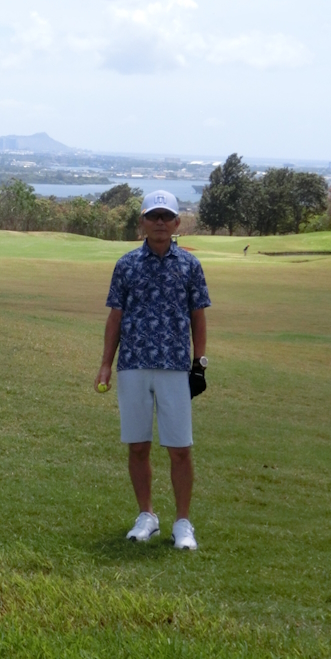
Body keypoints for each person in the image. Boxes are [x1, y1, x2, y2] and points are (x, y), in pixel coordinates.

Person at [96, 190, 211, 551]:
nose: (160, 223)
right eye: (153, 216)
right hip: (133, 365)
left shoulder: (190, 266)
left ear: (177, 223)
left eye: (166, 217)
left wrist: (199, 365)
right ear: (142, 222)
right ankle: (146, 515)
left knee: (180, 449)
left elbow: (198, 317)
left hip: (175, 367)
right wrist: (105, 364)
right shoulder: (126, 265)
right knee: (138, 446)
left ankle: (182, 523)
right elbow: (115, 317)